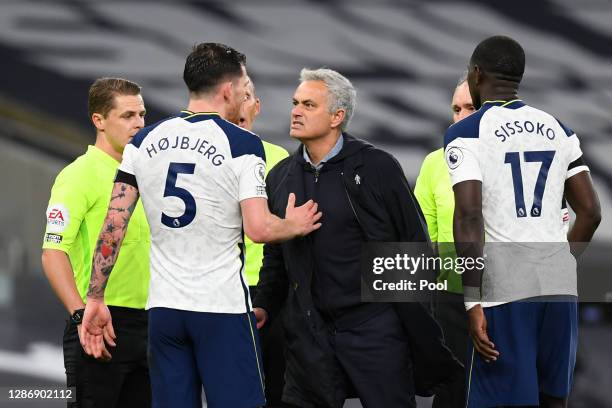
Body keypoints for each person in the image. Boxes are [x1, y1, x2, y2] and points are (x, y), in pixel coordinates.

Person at [79, 43, 322, 408]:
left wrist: (95, 297)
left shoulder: (144, 141)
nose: (245, 95)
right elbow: (259, 229)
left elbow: (114, 224)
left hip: (164, 311)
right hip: (220, 310)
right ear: (228, 90)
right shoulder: (242, 144)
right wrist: (294, 224)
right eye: (243, 88)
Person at [253, 68, 462, 408]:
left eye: (308, 104)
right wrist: (264, 303)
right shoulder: (281, 177)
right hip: (310, 334)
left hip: (373, 328)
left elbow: (412, 244)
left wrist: (412, 321)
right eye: (295, 102)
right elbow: (277, 257)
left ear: (337, 116)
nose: (295, 111)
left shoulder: (377, 167)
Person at [446, 35, 601, 408]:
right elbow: (591, 212)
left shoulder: (467, 133)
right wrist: (561, 264)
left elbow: (468, 216)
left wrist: (472, 302)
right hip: (558, 289)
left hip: (505, 293)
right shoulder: (558, 128)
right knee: (553, 399)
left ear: (476, 74)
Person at [41, 77, 150, 407]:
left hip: (151, 324)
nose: (139, 124)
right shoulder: (78, 175)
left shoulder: (149, 175)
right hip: (99, 322)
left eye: (142, 115)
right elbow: (52, 252)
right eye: (127, 116)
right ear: (99, 121)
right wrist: (80, 314)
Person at [414, 72, 474, 408]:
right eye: (456, 109)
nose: (461, 117)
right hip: (452, 298)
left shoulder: (507, 160)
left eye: (470, 108)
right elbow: (426, 240)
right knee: (452, 394)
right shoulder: (435, 164)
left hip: (506, 296)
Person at [239, 77, 291, 408]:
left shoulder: (278, 158)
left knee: (272, 386)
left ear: (257, 107)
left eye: (247, 97)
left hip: (268, 290)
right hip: (223, 289)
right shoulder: (211, 156)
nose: (239, 104)